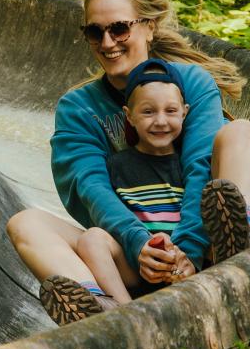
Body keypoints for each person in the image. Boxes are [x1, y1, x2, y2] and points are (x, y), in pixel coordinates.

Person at [7, 0, 250, 325]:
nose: (107, 43)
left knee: (239, 132)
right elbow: (93, 192)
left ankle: (239, 243)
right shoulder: (79, 108)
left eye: (119, 28)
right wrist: (140, 247)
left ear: (148, 27)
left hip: (204, 241)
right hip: (132, 255)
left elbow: (201, 164)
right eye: (94, 32)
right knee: (24, 223)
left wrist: (188, 251)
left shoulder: (191, 83)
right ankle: (105, 313)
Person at [70, 58, 192, 311]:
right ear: (130, 116)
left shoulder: (188, 163)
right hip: (136, 265)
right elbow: (110, 219)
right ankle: (124, 312)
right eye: (148, 112)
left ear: (185, 113)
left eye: (170, 111)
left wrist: (178, 255)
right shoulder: (116, 165)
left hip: (183, 263)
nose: (160, 121)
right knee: (92, 238)